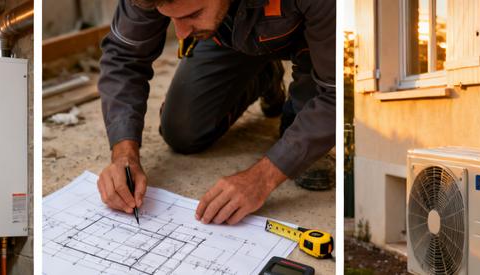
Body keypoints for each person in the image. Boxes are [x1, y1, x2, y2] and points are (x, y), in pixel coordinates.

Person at [96, 0, 336, 225]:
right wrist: (123, 154)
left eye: (193, 14)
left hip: (314, 41)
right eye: (172, 19)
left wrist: (263, 178)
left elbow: (336, 93)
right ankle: (264, 76)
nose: (181, 33)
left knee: (304, 149)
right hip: (228, 35)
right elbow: (123, 56)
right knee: (182, 130)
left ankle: (297, 106)